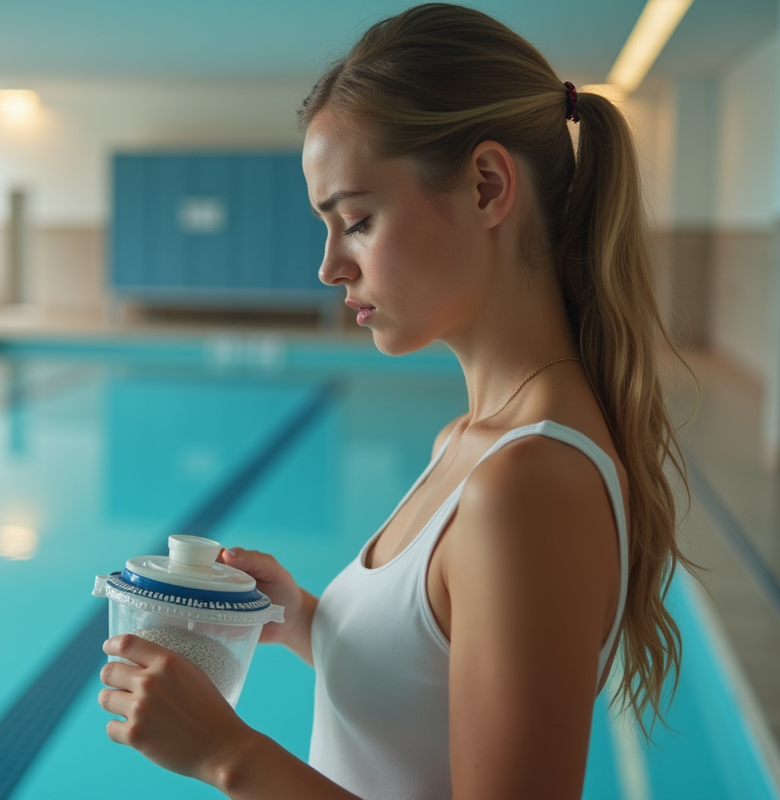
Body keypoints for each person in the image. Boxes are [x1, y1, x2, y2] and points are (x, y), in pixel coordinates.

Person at [97, 4, 693, 798]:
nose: (329, 267)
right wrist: (305, 620)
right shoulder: (471, 440)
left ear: (488, 186)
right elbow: (430, 688)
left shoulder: (531, 484)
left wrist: (225, 754)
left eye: (357, 221)